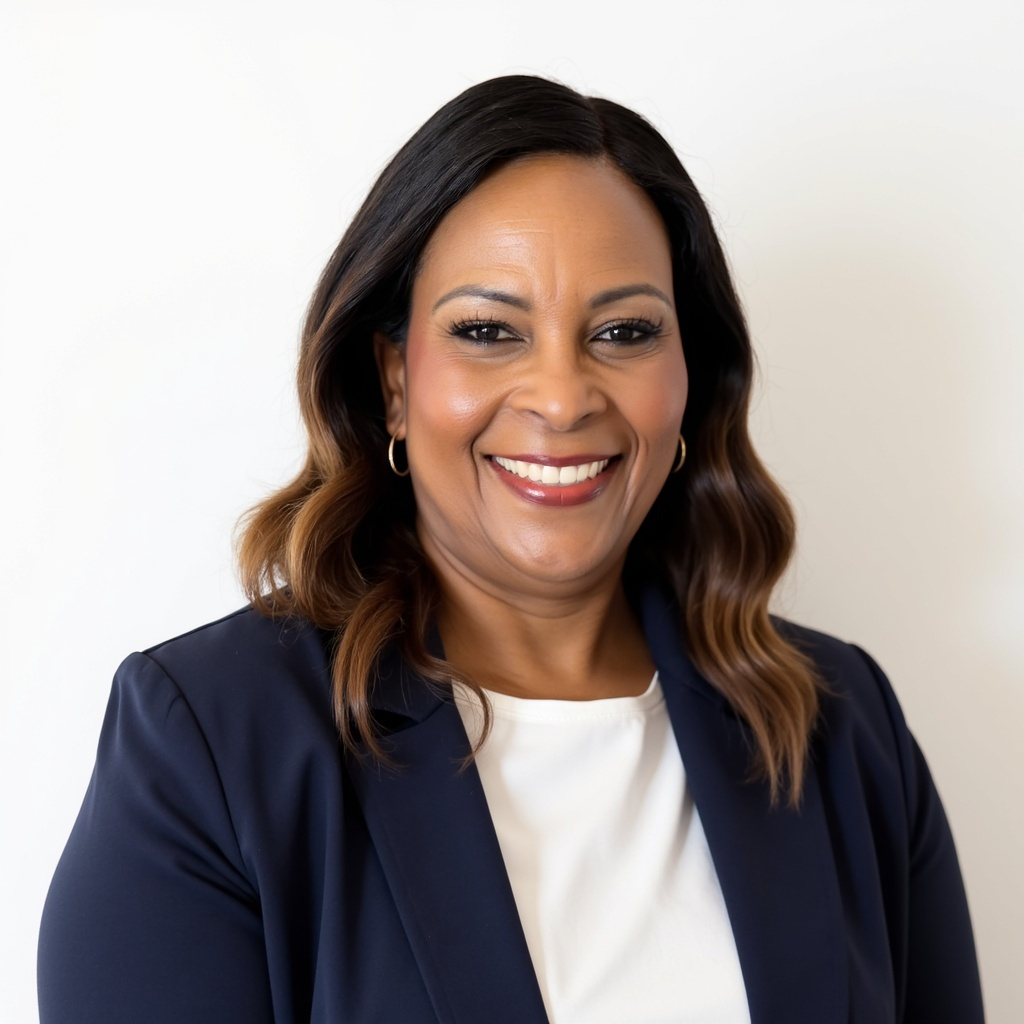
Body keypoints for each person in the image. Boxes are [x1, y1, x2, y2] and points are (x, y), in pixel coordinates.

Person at [37, 76, 984, 1024]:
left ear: (689, 378)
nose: (563, 398)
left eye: (624, 332)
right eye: (488, 332)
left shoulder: (842, 726)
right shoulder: (211, 743)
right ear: (395, 380)